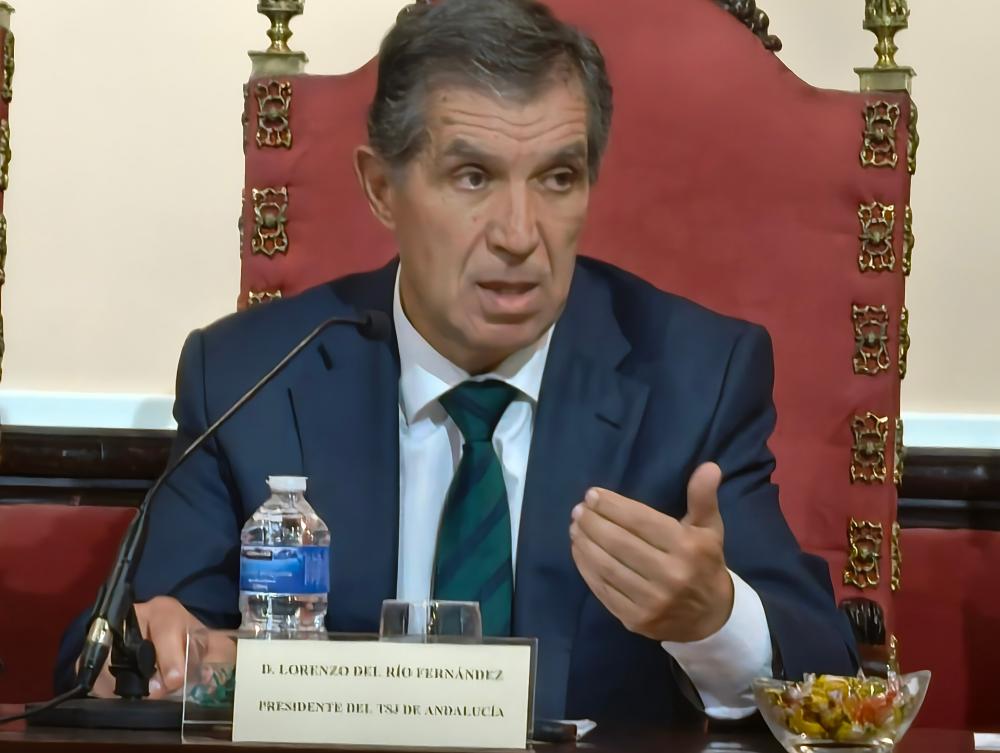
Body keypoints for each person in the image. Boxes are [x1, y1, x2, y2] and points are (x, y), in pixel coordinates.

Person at [57, 0, 856, 723]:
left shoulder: (692, 377)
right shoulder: (254, 378)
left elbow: (828, 671)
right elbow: (112, 656)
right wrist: (154, 651)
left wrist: (715, 620)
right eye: (473, 177)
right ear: (381, 187)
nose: (519, 233)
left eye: (558, 178)